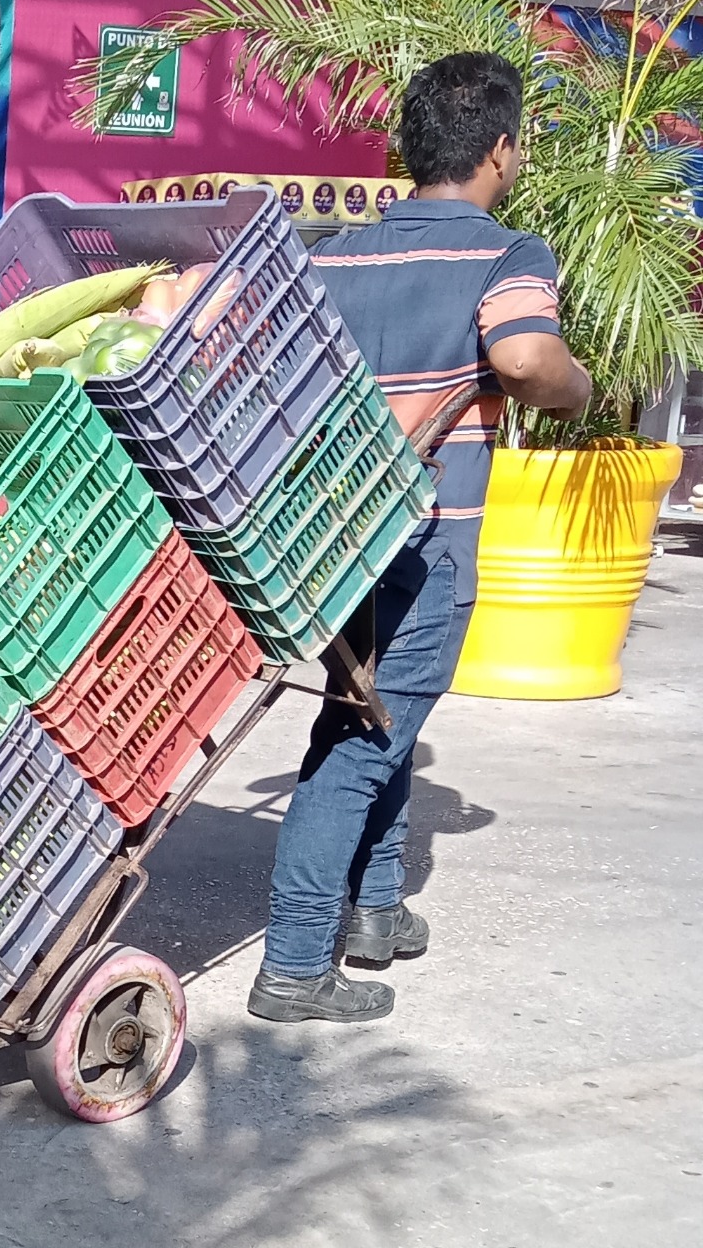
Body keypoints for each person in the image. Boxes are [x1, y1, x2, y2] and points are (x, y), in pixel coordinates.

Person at [247, 52, 593, 1024]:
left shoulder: (335, 255)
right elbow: (525, 357)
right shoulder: (503, 253)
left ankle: (376, 912)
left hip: (331, 547)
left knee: (379, 718)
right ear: (499, 149)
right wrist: (578, 386)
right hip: (425, 548)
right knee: (354, 742)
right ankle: (295, 963)